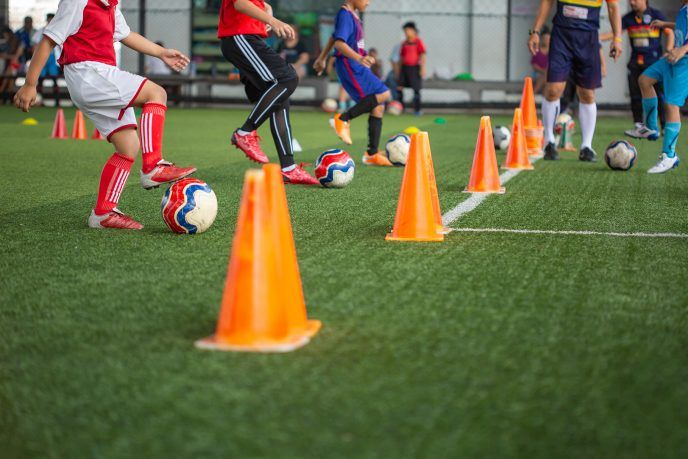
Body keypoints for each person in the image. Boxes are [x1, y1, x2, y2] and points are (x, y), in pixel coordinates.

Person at [14, 0, 197, 230]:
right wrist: (30, 83)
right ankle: (153, 166)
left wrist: (161, 53)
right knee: (156, 93)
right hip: (88, 73)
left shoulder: (110, 5)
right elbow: (48, 40)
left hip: (98, 76)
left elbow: (127, 35)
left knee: (128, 146)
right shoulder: (78, 1)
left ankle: (103, 213)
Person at [218, 0, 319, 185]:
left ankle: (289, 169)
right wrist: (273, 20)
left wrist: (266, 8)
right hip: (240, 37)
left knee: (280, 96)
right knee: (287, 78)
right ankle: (244, 133)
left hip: (247, 38)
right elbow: (240, 3)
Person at [529, 0, 622, 162]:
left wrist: (617, 39)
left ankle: (586, 146)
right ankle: (549, 142)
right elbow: (547, 2)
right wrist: (535, 31)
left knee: (587, 93)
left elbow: (613, 7)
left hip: (588, 39)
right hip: (561, 38)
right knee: (553, 90)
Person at [314, 0, 393, 167]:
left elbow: (333, 37)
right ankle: (342, 119)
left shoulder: (352, 15)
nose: (369, 2)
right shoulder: (345, 14)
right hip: (350, 65)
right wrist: (360, 58)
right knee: (384, 94)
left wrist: (322, 58)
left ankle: (372, 154)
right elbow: (339, 43)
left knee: (378, 106)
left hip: (356, 64)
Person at [629, 0, 688, 173]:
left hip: (683, 61)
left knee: (671, 104)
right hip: (673, 57)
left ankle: (669, 155)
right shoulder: (684, 6)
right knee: (644, 80)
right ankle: (651, 128)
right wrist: (664, 24)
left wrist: (683, 50)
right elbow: (682, 26)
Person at [604, 0, 673, 137]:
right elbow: (615, 33)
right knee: (635, 96)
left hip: (654, 63)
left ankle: (664, 125)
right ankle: (639, 125)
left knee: (660, 95)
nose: (632, 2)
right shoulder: (628, 18)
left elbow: (670, 33)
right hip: (635, 63)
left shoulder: (656, 15)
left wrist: (669, 50)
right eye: (630, 0)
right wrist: (596, 37)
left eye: (635, 0)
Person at [396, 21, 426, 116]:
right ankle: (401, 108)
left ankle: (417, 110)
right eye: (405, 31)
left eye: (408, 30)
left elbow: (422, 55)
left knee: (416, 90)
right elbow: (401, 58)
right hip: (405, 68)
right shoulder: (404, 43)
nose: (406, 33)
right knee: (399, 88)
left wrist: (422, 68)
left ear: (413, 31)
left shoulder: (418, 42)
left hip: (415, 69)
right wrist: (399, 71)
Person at [531, 26, 550, 94]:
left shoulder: (552, 52)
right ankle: (533, 94)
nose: (546, 40)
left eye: (548, 39)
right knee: (544, 76)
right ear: (541, 39)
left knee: (547, 77)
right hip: (538, 74)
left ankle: (535, 94)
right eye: (545, 38)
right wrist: (543, 71)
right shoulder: (537, 51)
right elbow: (534, 65)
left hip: (548, 75)